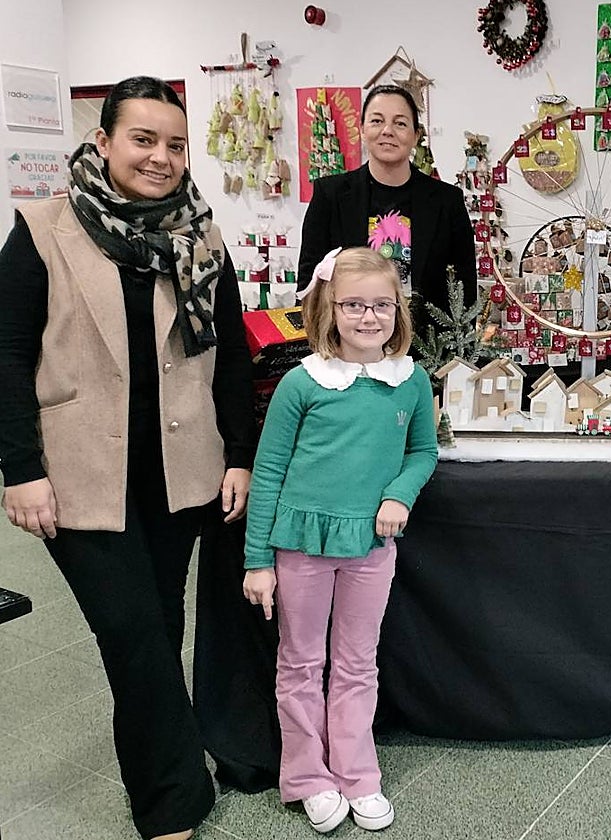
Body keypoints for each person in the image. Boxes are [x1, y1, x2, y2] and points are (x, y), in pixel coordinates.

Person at [0, 76, 255, 840]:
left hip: (180, 472)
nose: (161, 157)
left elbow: (233, 358)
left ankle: (176, 768)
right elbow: (6, 355)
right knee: (132, 634)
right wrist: (20, 470)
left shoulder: (199, 236)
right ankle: (173, 805)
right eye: (143, 139)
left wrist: (238, 454)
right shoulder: (43, 229)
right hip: (79, 472)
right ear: (104, 140)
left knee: (155, 629)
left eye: (175, 144)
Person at [241, 247, 438, 834]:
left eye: (381, 305)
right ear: (329, 308)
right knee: (301, 661)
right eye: (353, 305)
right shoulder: (301, 384)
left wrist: (399, 494)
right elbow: (269, 471)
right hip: (301, 545)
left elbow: (423, 451)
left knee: (357, 663)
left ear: (397, 311)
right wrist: (257, 561)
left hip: (371, 549)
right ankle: (305, 775)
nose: (368, 317)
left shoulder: (410, 380)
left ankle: (357, 771)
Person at [297, 84, 476, 337]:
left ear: (416, 135)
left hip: (428, 351)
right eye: (377, 121)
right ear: (362, 130)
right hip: (347, 347)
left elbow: (465, 288)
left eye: (400, 123)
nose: (387, 131)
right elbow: (309, 281)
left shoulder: (447, 201)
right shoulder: (331, 196)